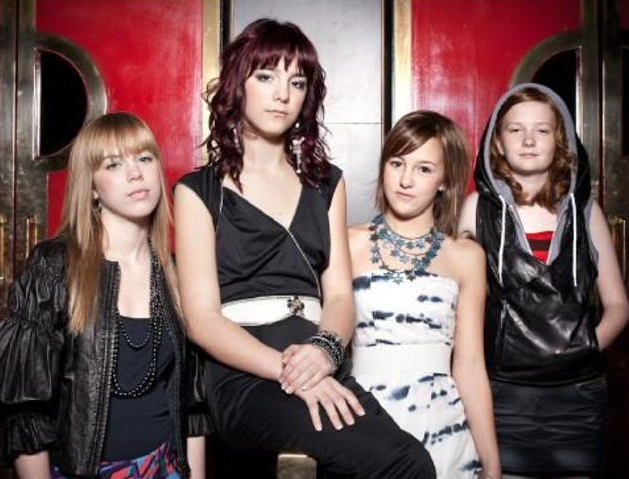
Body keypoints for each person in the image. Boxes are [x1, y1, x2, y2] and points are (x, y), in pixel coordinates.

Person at [174, 18, 435, 479]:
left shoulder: (326, 183)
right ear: (237, 84)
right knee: (403, 463)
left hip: (318, 357)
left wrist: (325, 351)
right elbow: (202, 320)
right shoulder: (198, 191)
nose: (282, 94)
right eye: (266, 76)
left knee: (413, 461)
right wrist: (288, 371)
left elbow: (339, 297)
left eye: (296, 82)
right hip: (246, 374)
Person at [0, 113, 205, 479]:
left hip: (163, 466)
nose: (135, 173)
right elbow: (26, 413)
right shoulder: (54, 266)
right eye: (114, 164)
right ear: (91, 187)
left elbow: (192, 403)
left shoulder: (175, 272)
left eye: (144, 158)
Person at [458, 83, 629, 479]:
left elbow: (619, 305)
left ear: (560, 141)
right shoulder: (477, 209)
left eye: (542, 129)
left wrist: (584, 347)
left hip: (577, 398)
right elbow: (458, 305)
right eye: (516, 129)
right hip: (503, 394)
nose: (529, 140)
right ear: (497, 143)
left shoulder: (585, 212)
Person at [349, 111, 501, 479]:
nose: (405, 180)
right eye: (397, 163)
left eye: (424, 169)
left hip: (444, 430)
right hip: (363, 422)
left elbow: (470, 366)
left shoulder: (466, 257)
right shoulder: (347, 243)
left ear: (445, 180)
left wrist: (492, 462)